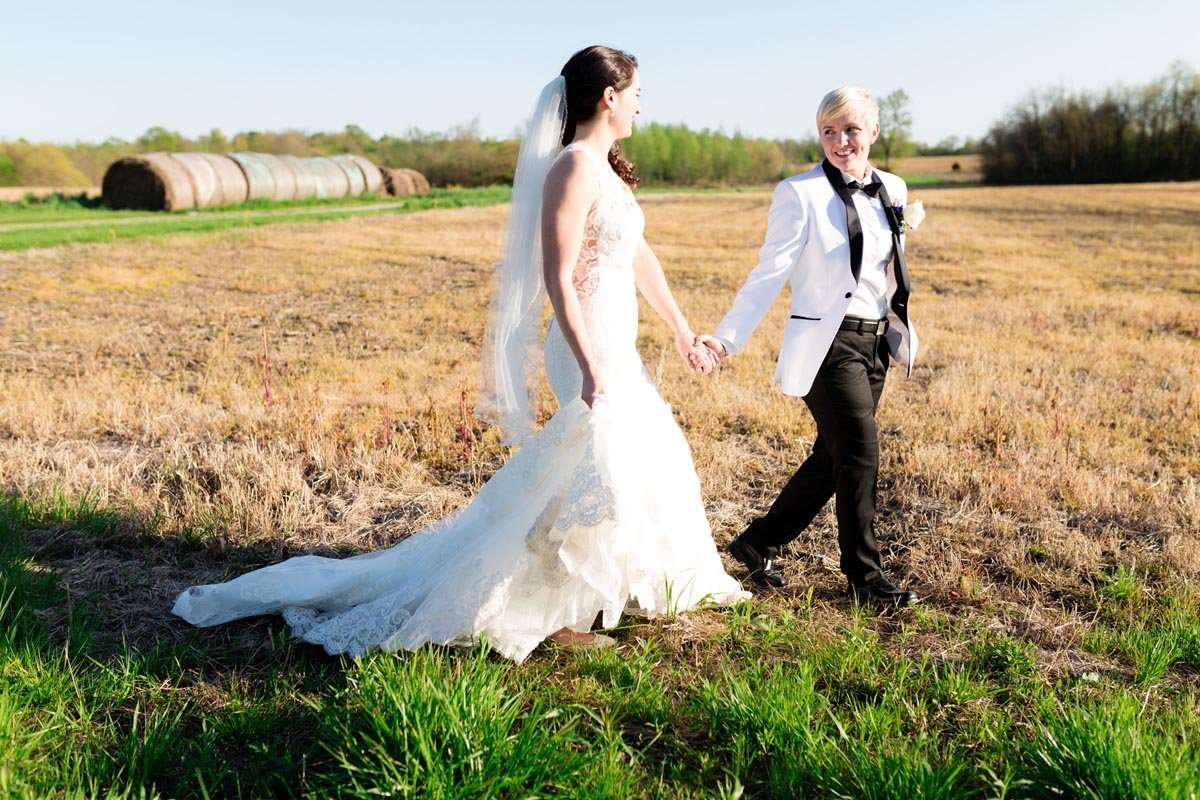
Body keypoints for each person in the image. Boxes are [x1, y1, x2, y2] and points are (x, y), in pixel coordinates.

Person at [173, 46, 747, 662]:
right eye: (637, 92)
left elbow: (637, 256)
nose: (641, 104)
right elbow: (558, 276)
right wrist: (587, 364)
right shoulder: (573, 169)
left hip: (617, 344)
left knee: (630, 463)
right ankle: (537, 606)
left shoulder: (605, 169)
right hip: (588, 345)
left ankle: (610, 586)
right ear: (609, 96)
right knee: (584, 475)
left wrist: (683, 329)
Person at [699, 86, 919, 607]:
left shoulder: (894, 188)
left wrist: (897, 330)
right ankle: (865, 579)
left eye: (851, 130)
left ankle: (757, 542)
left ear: (874, 132)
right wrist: (726, 339)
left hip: (874, 343)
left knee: (833, 457)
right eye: (829, 132)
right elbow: (768, 273)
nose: (840, 142)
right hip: (827, 344)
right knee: (861, 454)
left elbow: (886, 271)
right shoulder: (798, 193)